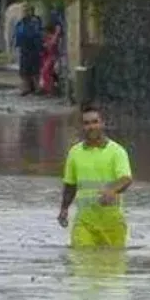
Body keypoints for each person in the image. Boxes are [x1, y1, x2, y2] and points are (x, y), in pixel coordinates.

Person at [58, 104, 134, 249]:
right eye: (86, 123)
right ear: (81, 127)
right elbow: (70, 185)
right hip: (84, 223)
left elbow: (126, 179)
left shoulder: (117, 152)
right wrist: (64, 209)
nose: (91, 127)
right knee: (81, 263)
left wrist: (112, 189)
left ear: (102, 123)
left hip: (112, 224)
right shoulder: (74, 153)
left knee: (111, 267)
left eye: (95, 122)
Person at [14, 5, 44, 95]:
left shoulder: (35, 21)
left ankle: (36, 86)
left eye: (27, 11)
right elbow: (17, 34)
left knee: (35, 69)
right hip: (24, 48)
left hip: (34, 48)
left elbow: (37, 33)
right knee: (24, 70)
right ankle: (26, 87)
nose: (26, 13)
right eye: (24, 11)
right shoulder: (20, 22)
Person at [40, 21, 62, 96]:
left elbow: (52, 45)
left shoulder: (53, 37)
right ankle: (50, 89)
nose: (44, 33)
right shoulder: (47, 37)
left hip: (52, 57)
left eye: (45, 31)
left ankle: (51, 89)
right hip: (48, 57)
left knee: (46, 72)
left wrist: (57, 32)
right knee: (47, 73)